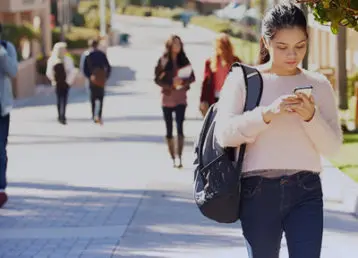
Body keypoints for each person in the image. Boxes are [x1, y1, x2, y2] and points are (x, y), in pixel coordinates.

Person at [214, 2, 342, 257]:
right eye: (282, 47)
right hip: (257, 191)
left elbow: (334, 148)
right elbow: (224, 134)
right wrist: (267, 114)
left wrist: (311, 117)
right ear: (265, 42)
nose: (292, 55)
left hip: (306, 191)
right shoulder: (243, 80)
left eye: (300, 46)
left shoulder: (318, 84)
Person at [154, 35, 195, 168]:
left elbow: (192, 77)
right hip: (167, 98)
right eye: (175, 44)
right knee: (169, 129)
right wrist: (171, 83)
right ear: (170, 45)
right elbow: (157, 79)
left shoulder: (184, 60)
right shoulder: (163, 60)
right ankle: (172, 156)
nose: (177, 46)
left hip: (181, 98)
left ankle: (180, 157)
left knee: (180, 127)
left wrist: (183, 81)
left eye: (179, 44)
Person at [199, 33, 242, 116]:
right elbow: (205, 82)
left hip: (231, 98)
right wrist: (202, 100)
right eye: (220, 46)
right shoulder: (210, 62)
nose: (222, 49)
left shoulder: (236, 61)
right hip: (214, 98)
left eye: (224, 46)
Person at [0, 24, 18, 208]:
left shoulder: (7, 48)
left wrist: (2, 55)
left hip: (1, 109)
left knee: (0, 150)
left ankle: (1, 189)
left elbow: (13, 71)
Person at [46, 42, 76, 125]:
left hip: (58, 83)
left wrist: (54, 80)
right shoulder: (67, 59)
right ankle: (62, 115)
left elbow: (49, 73)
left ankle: (60, 115)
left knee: (59, 99)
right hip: (64, 83)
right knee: (64, 99)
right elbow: (72, 72)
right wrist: (68, 82)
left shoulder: (52, 60)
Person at [83, 39, 111, 125]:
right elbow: (108, 67)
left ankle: (93, 115)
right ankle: (99, 115)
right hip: (101, 79)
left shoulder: (88, 55)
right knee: (101, 98)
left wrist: (89, 76)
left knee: (93, 98)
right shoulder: (101, 54)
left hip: (92, 80)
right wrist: (105, 77)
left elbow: (85, 69)